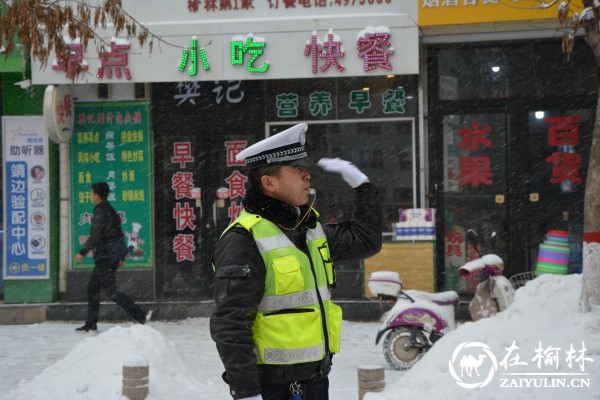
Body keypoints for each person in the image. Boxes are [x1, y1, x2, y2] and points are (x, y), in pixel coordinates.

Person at [210, 123, 382, 400]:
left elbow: (366, 240)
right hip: (272, 388)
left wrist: (363, 188)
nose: (307, 177)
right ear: (269, 183)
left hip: (315, 381)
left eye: (306, 170)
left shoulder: (310, 230)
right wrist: (246, 392)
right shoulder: (243, 240)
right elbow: (230, 323)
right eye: (297, 170)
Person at [74, 182, 148, 332]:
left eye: (92, 193)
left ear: (96, 195)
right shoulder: (110, 210)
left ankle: (140, 315)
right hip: (110, 256)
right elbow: (118, 234)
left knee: (110, 291)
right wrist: (121, 257)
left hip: (105, 257)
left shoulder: (101, 211)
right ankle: (91, 322)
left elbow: (96, 235)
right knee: (93, 288)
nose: (91, 196)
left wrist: (82, 252)